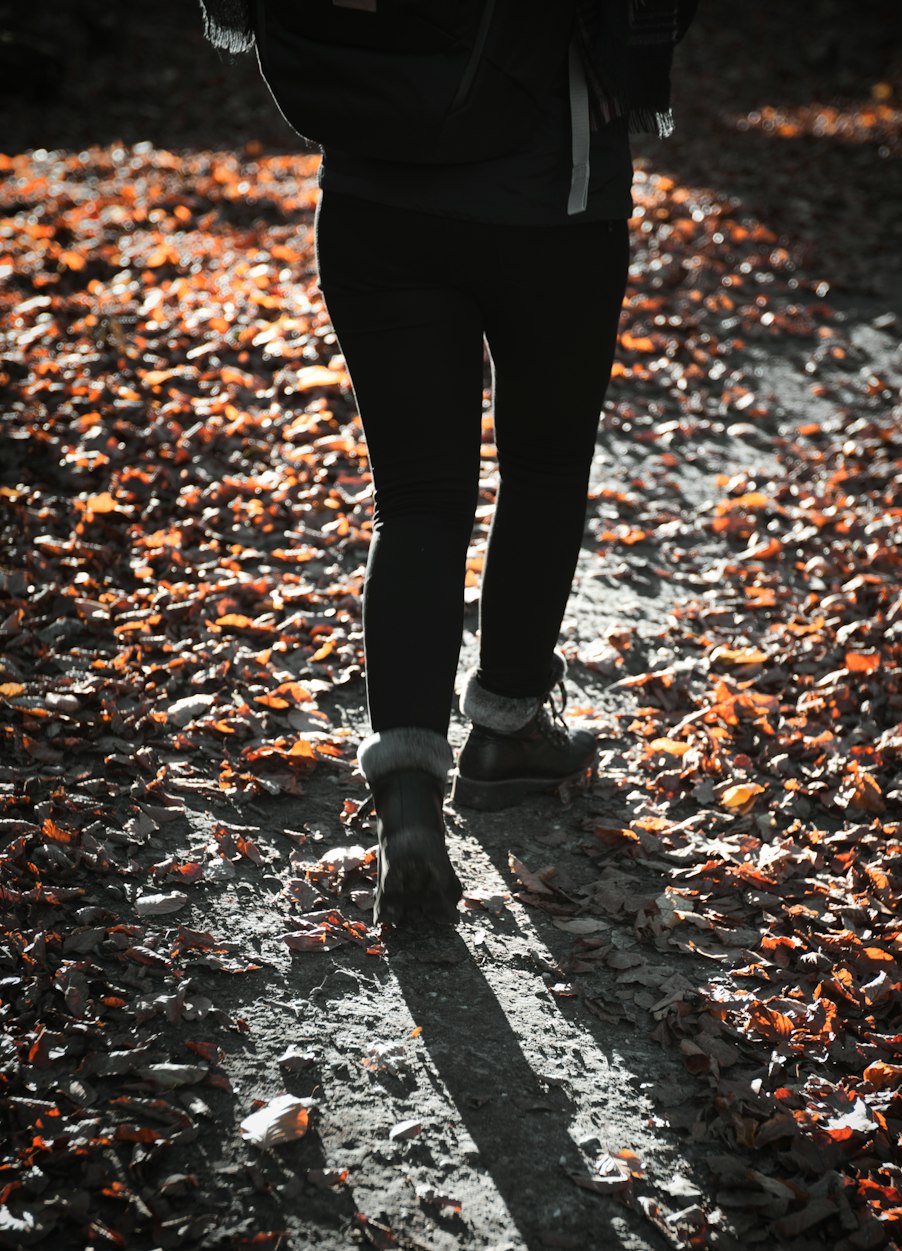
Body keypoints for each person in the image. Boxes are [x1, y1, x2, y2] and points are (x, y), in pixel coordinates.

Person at [199, 0, 697, 927]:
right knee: (544, 467)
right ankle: (508, 728)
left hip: (373, 191)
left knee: (418, 501)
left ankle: (409, 800)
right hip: (555, 195)